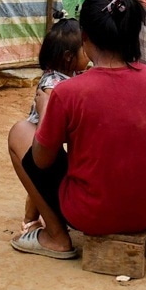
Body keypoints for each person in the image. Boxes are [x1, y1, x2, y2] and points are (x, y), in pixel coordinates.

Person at [7, 0, 146, 259]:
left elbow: (41, 161)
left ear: (85, 38)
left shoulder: (67, 92)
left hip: (90, 215)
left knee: (20, 131)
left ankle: (56, 238)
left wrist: (45, 111)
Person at [18, 12, 88, 236]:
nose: (89, 54)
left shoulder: (74, 73)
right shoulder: (52, 83)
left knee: (44, 175)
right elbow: (49, 118)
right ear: (69, 56)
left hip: (58, 135)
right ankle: (30, 219)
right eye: (84, 50)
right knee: (39, 174)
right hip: (44, 135)